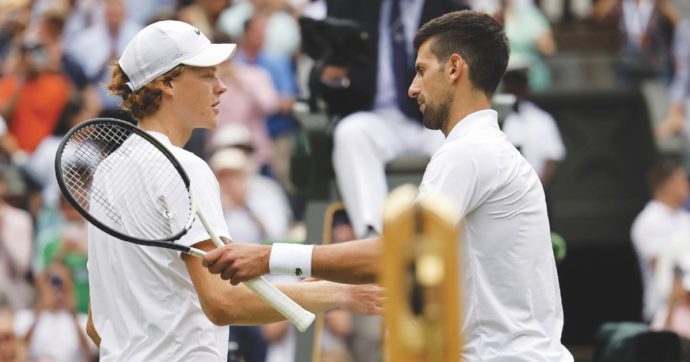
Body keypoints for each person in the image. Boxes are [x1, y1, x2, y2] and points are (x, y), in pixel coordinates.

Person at [203, 10, 572, 361]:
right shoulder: (482, 149)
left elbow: (394, 255)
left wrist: (268, 258)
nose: (412, 89)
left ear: (455, 68)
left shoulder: (468, 153)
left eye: (421, 71)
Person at [85, 20, 381, 361]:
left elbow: (97, 324)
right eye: (207, 75)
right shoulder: (186, 168)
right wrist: (338, 294)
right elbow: (222, 301)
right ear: (166, 83)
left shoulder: (106, 174)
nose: (222, 87)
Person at [631, 157, 690, 322]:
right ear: (669, 183)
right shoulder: (647, 221)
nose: (687, 185)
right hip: (662, 311)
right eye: (683, 180)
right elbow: (662, 265)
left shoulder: (686, 219)